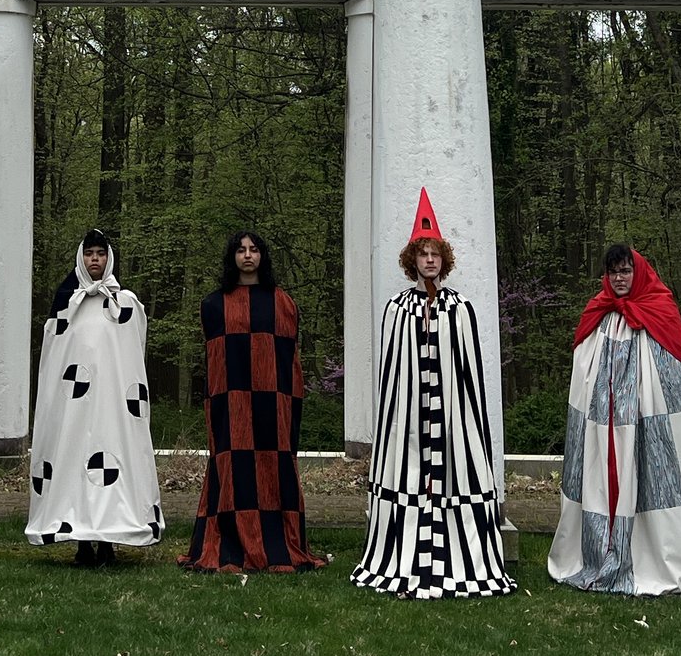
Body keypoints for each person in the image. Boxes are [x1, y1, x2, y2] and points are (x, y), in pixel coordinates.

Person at [349, 191, 514, 599]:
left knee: (451, 478)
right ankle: (404, 555)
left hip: (450, 418)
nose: (429, 260)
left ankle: (458, 556)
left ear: (444, 260)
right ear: (412, 260)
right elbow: (393, 373)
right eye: (423, 254)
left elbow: (468, 374)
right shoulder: (397, 308)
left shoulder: (460, 309)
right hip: (409, 422)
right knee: (411, 476)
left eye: (435, 254)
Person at [548, 243, 681, 596]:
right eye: (613, 272)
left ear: (638, 272)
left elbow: (675, 376)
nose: (619, 278)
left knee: (660, 481)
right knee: (603, 482)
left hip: (651, 424)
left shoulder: (660, 309)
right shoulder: (597, 312)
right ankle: (600, 554)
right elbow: (583, 371)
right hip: (605, 426)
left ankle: (657, 558)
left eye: (625, 271)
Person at [179, 230, 327, 573]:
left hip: (273, 405)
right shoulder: (213, 305)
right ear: (232, 256)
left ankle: (278, 543)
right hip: (231, 407)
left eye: (254, 249)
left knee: (273, 468)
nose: (248, 255)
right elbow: (214, 361)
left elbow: (290, 362)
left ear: (263, 256)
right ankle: (230, 544)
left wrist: (288, 405)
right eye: (241, 250)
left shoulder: (283, 303)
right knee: (233, 469)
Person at [27, 228, 163, 565]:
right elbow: (54, 356)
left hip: (112, 408)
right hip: (74, 410)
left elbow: (131, 355)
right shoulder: (66, 302)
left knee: (111, 465)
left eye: (100, 254)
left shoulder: (124, 303)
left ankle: (107, 539)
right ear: (81, 257)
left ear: (109, 257)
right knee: (74, 464)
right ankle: (81, 541)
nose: (95, 260)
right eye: (89, 254)